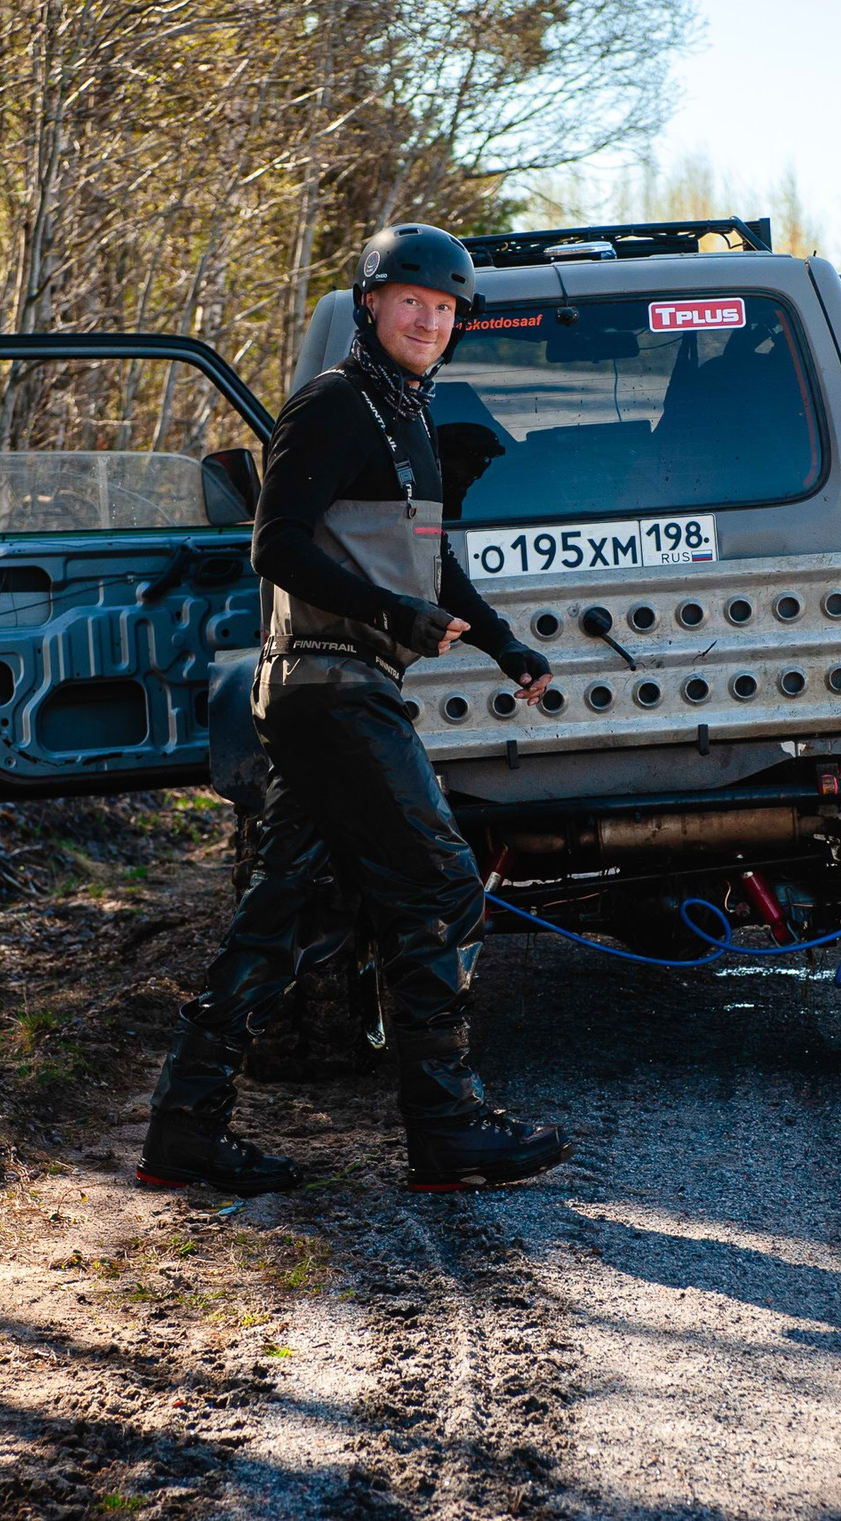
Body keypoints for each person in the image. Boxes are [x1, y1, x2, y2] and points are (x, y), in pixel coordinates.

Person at [138, 223, 571, 1195]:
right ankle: (447, 1127)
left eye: (445, 307)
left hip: (344, 688)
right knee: (442, 884)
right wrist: (393, 613)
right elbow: (275, 544)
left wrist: (503, 642)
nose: (428, 320)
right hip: (326, 688)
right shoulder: (332, 404)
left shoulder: (406, 415)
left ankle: (183, 1128)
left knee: (282, 910)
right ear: (370, 304)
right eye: (411, 300)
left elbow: (428, 560)